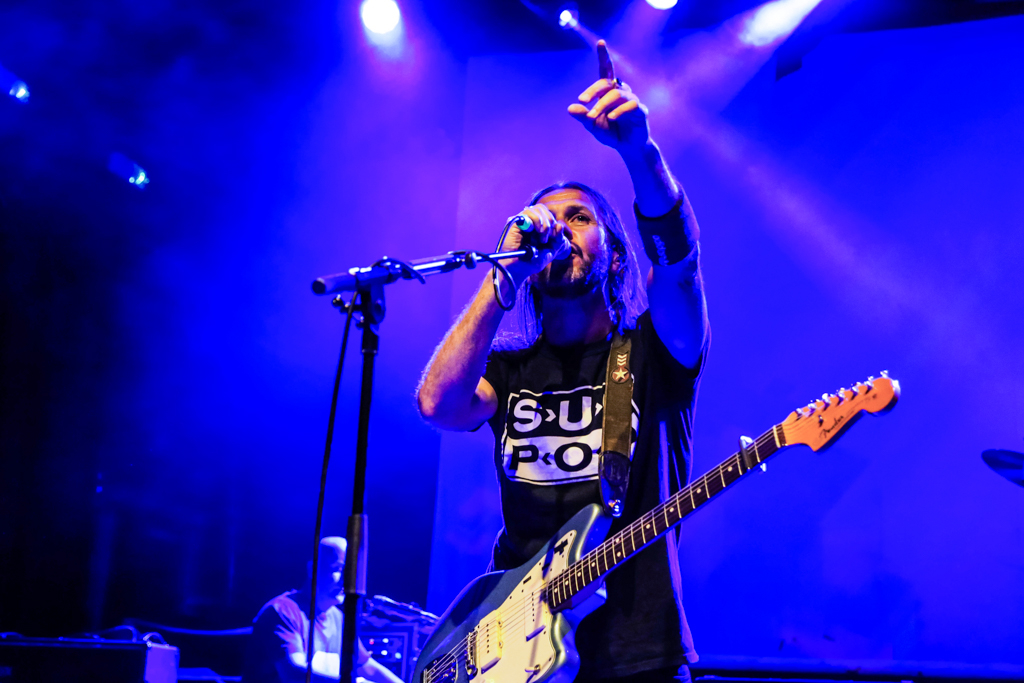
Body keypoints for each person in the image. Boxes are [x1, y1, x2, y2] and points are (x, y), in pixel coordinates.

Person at [417, 40, 709, 683]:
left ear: (614, 250)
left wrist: (640, 151)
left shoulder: (654, 353)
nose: (559, 229)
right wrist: (505, 270)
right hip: (512, 653)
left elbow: (681, 268)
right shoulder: (510, 370)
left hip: (637, 657)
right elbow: (438, 405)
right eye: (546, 220)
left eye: (578, 218)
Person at [243, 537, 402, 683]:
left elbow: (366, 666)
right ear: (313, 569)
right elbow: (294, 674)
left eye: (351, 572)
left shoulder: (339, 618)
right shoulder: (282, 611)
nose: (346, 580)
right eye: (339, 568)